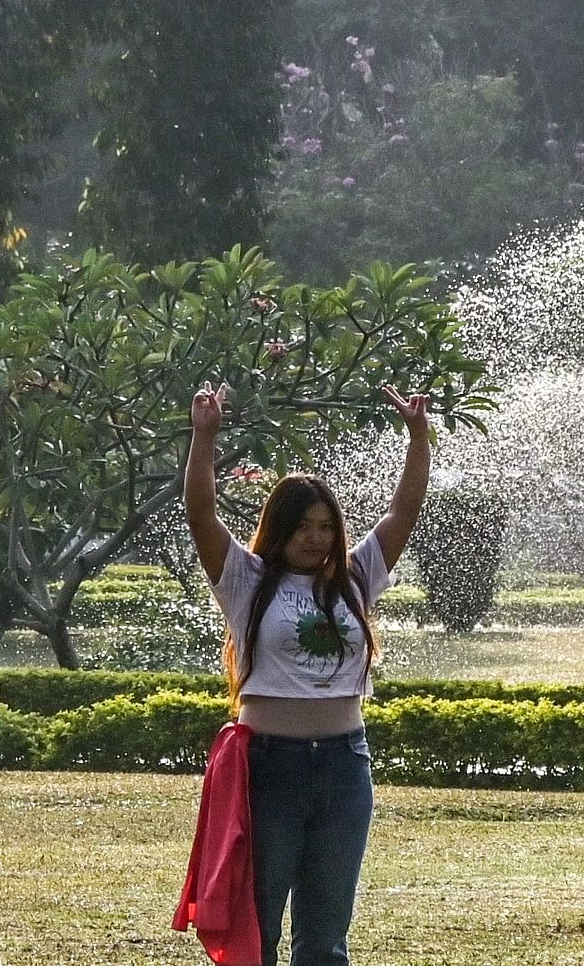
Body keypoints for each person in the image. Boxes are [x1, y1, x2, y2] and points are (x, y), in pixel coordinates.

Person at [182, 383, 430, 966]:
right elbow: (200, 514)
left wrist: (418, 440)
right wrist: (204, 438)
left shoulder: (354, 577)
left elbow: (404, 512)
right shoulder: (246, 580)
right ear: (279, 527)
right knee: (259, 927)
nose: (316, 537)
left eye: (325, 525)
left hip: (346, 765)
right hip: (271, 765)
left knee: (325, 937)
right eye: (303, 527)